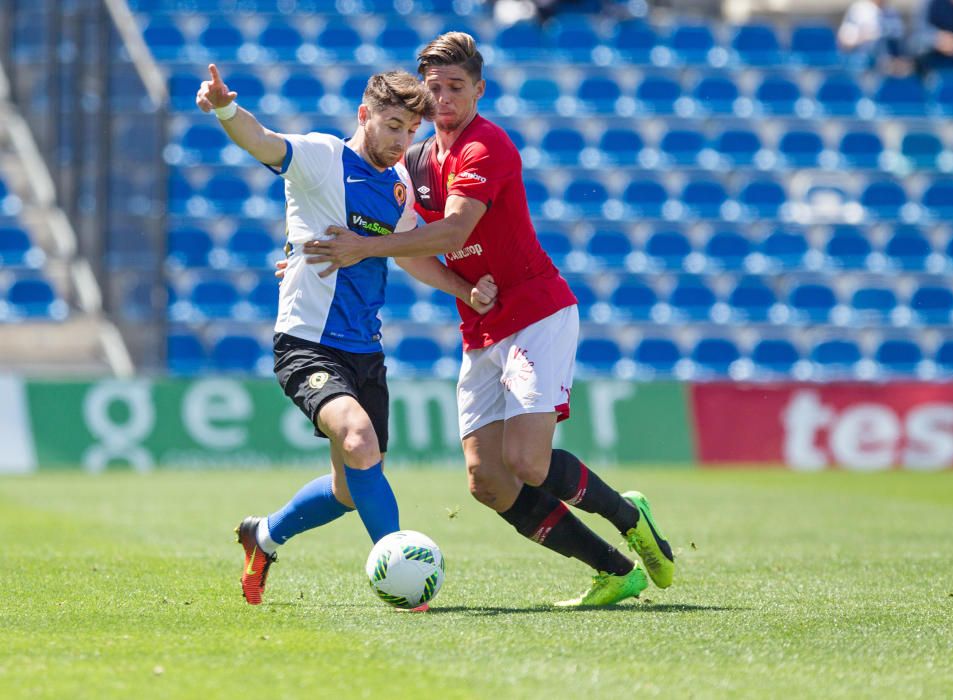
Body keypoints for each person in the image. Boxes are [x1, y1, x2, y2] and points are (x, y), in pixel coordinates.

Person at [305, 32, 675, 607]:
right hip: (480, 326)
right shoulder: (417, 159)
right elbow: (399, 238)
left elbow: (452, 232)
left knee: (527, 462)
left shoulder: (487, 146)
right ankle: (613, 570)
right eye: (435, 90)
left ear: (480, 89)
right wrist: (308, 257)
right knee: (488, 482)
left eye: (456, 87)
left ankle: (629, 515)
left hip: (534, 312)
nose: (444, 99)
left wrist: (362, 248)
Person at [195, 64, 498, 605]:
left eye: (410, 131)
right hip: (307, 342)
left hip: (366, 350)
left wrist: (461, 288)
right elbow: (262, 142)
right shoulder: (320, 157)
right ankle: (409, 578)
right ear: (365, 116)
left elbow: (413, 254)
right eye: (392, 126)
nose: (402, 140)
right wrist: (224, 108)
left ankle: (262, 536)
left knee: (347, 488)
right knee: (358, 438)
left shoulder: (399, 184)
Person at [837, 0, 910, 73]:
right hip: (864, 62)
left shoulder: (892, 12)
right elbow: (844, 40)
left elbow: (898, 40)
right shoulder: (859, 9)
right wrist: (865, 35)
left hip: (888, 64)